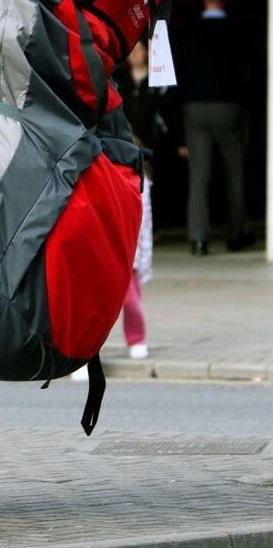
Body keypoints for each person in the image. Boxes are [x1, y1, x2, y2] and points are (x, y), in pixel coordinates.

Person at [177, 0, 254, 256]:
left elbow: (181, 74)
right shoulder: (237, 32)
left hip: (195, 107)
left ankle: (199, 239)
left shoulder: (189, 32)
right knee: (235, 173)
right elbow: (247, 72)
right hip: (229, 105)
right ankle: (237, 234)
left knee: (198, 176)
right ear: (226, 1)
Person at [115, 40, 167, 359]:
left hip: (127, 249)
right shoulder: (119, 81)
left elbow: (144, 223)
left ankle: (136, 339)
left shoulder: (140, 183)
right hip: (107, 246)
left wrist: (141, 257)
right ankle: (82, 350)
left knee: (130, 296)